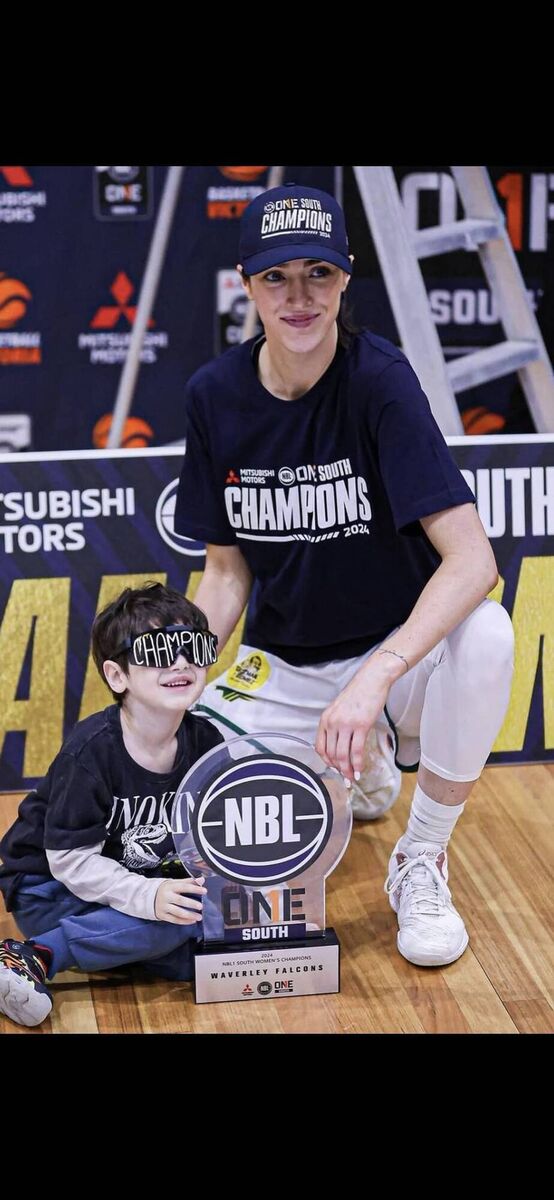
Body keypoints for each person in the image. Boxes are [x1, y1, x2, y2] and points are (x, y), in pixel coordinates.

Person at [174, 182, 515, 970]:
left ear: (345, 277)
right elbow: (225, 573)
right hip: (287, 663)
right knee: (198, 817)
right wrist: (183, 670)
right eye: (276, 278)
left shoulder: (379, 380)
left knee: (490, 634)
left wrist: (375, 675)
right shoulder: (212, 397)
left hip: (399, 660)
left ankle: (421, 857)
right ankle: (354, 765)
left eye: (316, 275)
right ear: (247, 282)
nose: (298, 297)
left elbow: (473, 560)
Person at [0, 582, 223, 1027]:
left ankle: (118, 947)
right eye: (158, 651)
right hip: (48, 885)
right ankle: (34, 955)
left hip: (134, 875)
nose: (180, 662)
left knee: (201, 952)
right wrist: (148, 895)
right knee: (180, 921)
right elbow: (68, 860)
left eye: (192, 647)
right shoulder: (91, 752)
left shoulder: (207, 742)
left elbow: (207, 839)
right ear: (117, 676)